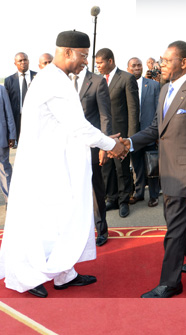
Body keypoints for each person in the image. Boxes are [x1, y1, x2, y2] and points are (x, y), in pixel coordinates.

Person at [0, 30, 127, 298]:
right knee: (37, 221)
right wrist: (111, 144)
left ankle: (63, 274)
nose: (85, 62)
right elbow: (78, 126)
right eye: (82, 56)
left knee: (59, 218)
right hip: (42, 167)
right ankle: (26, 276)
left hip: (56, 163)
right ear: (67, 52)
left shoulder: (56, 78)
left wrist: (106, 138)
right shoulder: (52, 82)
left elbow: (72, 125)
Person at [123, 40, 186, 298]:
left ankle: (170, 283)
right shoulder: (165, 90)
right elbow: (156, 129)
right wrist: (129, 142)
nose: (162, 64)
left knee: (175, 230)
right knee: (178, 223)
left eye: (167, 60)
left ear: (184, 63)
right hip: (167, 172)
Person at [95, 48, 139, 219]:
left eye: (100, 63)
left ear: (110, 61)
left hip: (121, 135)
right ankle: (112, 198)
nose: (97, 66)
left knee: (122, 169)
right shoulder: (98, 80)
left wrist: (131, 138)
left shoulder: (126, 78)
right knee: (106, 168)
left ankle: (123, 201)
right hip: (103, 134)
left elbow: (133, 110)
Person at [73, 65, 112, 246]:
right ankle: (77, 231)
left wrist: (104, 147)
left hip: (92, 146)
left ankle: (101, 229)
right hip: (69, 146)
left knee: (96, 190)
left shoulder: (97, 81)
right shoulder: (62, 81)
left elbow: (105, 116)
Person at [127, 57, 161, 208]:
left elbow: (158, 110)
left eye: (139, 65)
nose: (137, 68)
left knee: (152, 164)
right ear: (128, 68)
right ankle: (139, 193)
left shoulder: (153, 85)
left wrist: (158, 133)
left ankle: (154, 195)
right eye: (133, 65)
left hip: (150, 132)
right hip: (133, 134)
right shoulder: (126, 85)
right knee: (137, 165)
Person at [4, 52, 36, 140]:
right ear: (15, 63)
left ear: (28, 61)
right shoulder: (9, 81)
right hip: (16, 120)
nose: (23, 62)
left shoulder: (37, 77)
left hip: (35, 118)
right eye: (20, 60)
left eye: (25, 60)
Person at [0, 87, 16, 201]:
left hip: (1, 138)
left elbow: (8, 112)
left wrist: (12, 135)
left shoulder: (1, 89)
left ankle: (10, 200)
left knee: (5, 170)